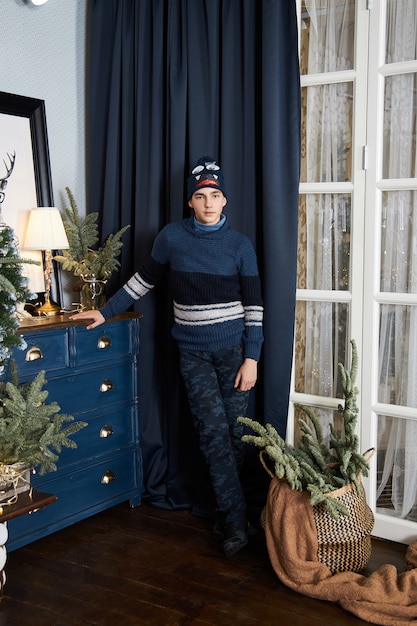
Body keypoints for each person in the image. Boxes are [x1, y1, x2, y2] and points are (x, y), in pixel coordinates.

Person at [70, 156, 264, 557]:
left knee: (233, 435)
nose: (208, 203)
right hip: (192, 354)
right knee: (212, 436)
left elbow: (255, 308)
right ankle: (235, 522)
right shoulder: (171, 238)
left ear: (225, 200)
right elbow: (141, 283)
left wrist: (253, 358)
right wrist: (104, 312)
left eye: (215, 195)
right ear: (190, 201)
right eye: (200, 196)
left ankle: (230, 512)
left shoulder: (240, 245)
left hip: (233, 354)